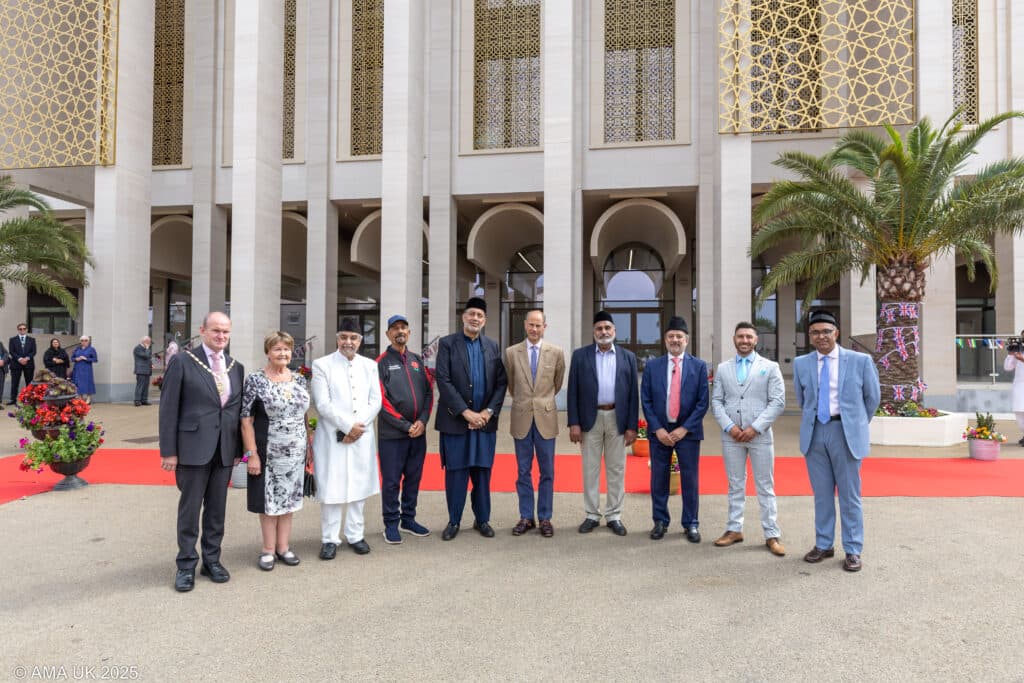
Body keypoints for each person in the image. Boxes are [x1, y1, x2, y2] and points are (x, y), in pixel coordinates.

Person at [158, 311, 245, 592]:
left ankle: (212, 560)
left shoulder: (235, 367)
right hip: (192, 448)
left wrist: (238, 450)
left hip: (224, 450)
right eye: (216, 331)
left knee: (217, 510)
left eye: (226, 332)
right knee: (190, 509)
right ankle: (185, 565)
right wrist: (169, 451)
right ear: (203, 330)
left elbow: (236, 411)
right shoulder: (183, 361)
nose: (221, 336)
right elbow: (168, 407)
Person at [793, 309, 880, 573]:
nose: (822, 336)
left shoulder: (860, 361)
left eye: (826, 331)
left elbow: (872, 398)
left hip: (845, 433)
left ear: (836, 333)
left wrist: (855, 424)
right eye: (816, 332)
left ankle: (853, 549)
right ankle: (824, 544)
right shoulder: (801, 364)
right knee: (821, 494)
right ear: (809, 336)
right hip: (816, 433)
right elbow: (802, 399)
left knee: (849, 495)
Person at [434, 297, 508, 541]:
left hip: (484, 425)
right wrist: (465, 413)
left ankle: (482, 520)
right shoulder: (447, 344)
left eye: (480, 315)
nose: (475, 318)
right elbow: (443, 380)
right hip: (456, 422)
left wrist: (486, 413)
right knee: (456, 473)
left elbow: (500, 382)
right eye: (471, 314)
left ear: (484, 320)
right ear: (463, 317)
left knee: (482, 473)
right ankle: (454, 521)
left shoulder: (492, 346)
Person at [710, 322, 786, 556]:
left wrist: (756, 427)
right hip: (731, 436)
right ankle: (734, 529)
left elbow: (777, 401)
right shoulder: (723, 368)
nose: (744, 340)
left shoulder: (770, 367)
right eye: (740, 336)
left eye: (749, 337)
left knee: (765, 485)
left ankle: (771, 534)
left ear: (756, 340)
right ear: (734, 339)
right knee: (735, 484)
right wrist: (730, 426)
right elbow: (717, 401)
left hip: (760, 436)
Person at [240, 331, 311, 571]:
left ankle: (284, 547)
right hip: (269, 451)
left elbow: (304, 415)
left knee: (290, 500)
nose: (283, 353)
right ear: (268, 352)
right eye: (277, 349)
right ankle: (268, 550)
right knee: (269, 502)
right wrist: (252, 454)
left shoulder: (299, 379)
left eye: (287, 349)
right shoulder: (255, 380)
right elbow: (246, 420)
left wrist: (308, 446)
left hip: (296, 450)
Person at [311, 320, 382, 559]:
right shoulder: (322, 365)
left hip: (361, 435)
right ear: (337, 339)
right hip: (332, 435)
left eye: (353, 337)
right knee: (332, 486)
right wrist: (347, 426)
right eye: (344, 337)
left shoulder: (370, 365)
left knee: (358, 485)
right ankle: (330, 539)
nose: (348, 342)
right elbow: (322, 404)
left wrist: (357, 428)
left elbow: (376, 401)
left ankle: (355, 535)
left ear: (360, 341)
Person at [567, 311, 638, 537]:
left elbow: (633, 395)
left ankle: (614, 515)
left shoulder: (628, 357)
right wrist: (574, 423)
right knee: (590, 468)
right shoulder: (580, 356)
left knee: (617, 469)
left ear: (614, 331)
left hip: (618, 417)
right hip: (590, 420)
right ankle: (591, 514)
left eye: (608, 328)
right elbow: (573, 392)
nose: (604, 332)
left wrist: (632, 426)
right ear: (594, 332)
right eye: (599, 328)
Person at [640, 316, 709, 542]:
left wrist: (684, 429)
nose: (675, 340)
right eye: (671, 336)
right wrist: (658, 428)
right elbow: (646, 400)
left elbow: (702, 402)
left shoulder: (698, 367)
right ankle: (660, 521)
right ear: (665, 339)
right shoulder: (653, 366)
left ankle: (691, 523)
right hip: (660, 432)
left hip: (687, 433)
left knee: (690, 479)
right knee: (658, 478)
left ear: (687, 340)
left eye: (679, 336)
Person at [503, 309, 565, 537]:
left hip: (546, 419)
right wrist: (525, 401)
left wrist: (540, 402)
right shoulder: (511, 353)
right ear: (525, 325)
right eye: (531, 325)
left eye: (539, 325)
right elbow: (511, 384)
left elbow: (556, 384)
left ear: (544, 327)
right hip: (521, 417)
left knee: (547, 471)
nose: (534, 329)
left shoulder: (556, 353)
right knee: (523, 471)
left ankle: (545, 518)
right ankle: (526, 516)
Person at [376, 314, 434, 544]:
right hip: (393, 435)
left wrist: (422, 421)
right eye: (395, 328)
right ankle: (391, 523)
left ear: (409, 332)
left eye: (404, 328)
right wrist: (405, 425)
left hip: (418, 433)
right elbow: (381, 400)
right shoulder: (381, 363)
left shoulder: (417, 361)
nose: (400, 331)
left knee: (413, 478)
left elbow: (429, 394)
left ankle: (408, 519)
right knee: (391, 481)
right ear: (388, 334)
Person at [1002, 330, 1024, 446]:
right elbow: (1007, 368)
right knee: (1019, 412)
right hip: (1020, 386)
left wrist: (1022, 359)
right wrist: (1010, 355)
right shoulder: (1018, 351)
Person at [8, 322, 35, 405]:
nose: (22, 330)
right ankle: (13, 400)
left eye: (24, 329)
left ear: (26, 330)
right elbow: (12, 351)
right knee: (15, 382)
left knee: (29, 383)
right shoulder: (12, 340)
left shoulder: (31, 340)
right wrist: (19, 359)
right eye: (20, 329)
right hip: (16, 364)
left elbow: (33, 351)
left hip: (28, 364)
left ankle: (29, 400)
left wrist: (26, 358)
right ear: (18, 330)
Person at [70, 335, 98, 403]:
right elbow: (72, 358)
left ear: (88, 341)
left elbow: (95, 359)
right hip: (78, 368)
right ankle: (80, 398)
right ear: (80, 341)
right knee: (78, 383)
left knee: (88, 382)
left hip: (87, 369)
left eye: (86, 340)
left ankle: (88, 398)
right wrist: (76, 359)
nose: (84, 342)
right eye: (82, 340)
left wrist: (86, 359)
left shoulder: (91, 349)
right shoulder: (77, 349)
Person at [133, 336, 154, 406]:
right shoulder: (137, 348)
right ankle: (137, 400)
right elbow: (145, 356)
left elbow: (148, 358)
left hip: (147, 370)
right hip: (141, 370)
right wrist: (147, 348)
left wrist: (151, 364)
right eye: (149, 342)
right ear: (145, 342)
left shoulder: (146, 349)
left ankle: (144, 400)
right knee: (140, 385)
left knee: (146, 385)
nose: (150, 344)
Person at [0, 338, 8, 404]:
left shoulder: (0, 343)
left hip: (1, 368)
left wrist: (3, 360)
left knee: (1, 386)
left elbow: (6, 353)